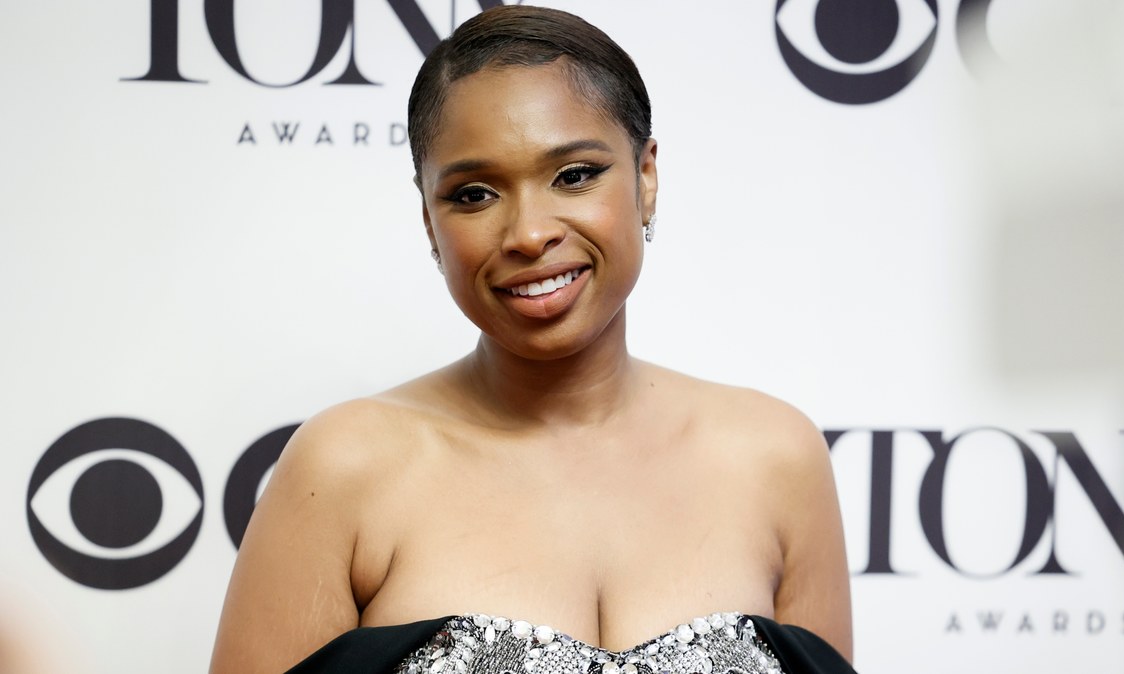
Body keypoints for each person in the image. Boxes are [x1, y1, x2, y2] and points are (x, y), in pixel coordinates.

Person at [209, 7, 854, 674]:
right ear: (429, 219)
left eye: (574, 175)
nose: (527, 233)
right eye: (475, 193)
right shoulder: (343, 469)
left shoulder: (777, 458)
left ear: (646, 178)